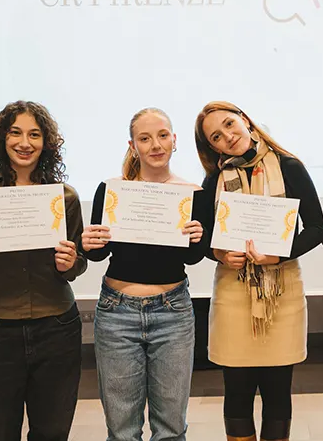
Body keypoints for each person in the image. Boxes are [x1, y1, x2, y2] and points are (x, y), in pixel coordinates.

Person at [0, 100, 87, 441]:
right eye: (15, 133)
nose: (25, 143)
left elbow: (78, 260)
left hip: (57, 330)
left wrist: (71, 263)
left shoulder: (63, 197)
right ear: (2, 139)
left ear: (46, 143)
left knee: (52, 432)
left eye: (34, 134)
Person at [195, 101, 323, 441]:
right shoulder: (213, 181)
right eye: (216, 136)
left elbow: (316, 228)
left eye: (229, 124)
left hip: (282, 293)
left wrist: (277, 256)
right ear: (212, 147)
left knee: (278, 394)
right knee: (236, 393)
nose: (227, 136)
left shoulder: (289, 166)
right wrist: (220, 254)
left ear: (246, 121)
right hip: (233, 294)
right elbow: (203, 242)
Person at [81, 108, 207, 441]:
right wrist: (88, 241)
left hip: (173, 312)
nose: (155, 144)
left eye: (163, 135)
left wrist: (197, 236)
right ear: (132, 145)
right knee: (122, 430)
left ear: (175, 140)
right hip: (116, 312)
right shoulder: (112, 190)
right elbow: (97, 253)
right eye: (145, 138)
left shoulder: (192, 193)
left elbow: (193, 257)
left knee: (171, 428)